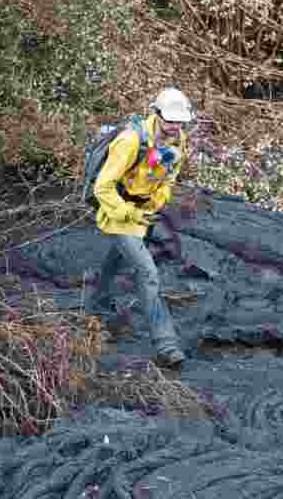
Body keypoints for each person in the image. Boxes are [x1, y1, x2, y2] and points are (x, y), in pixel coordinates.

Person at [86, 86, 194, 367]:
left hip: (144, 211)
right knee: (147, 273)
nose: (175, 127)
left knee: (120, 257)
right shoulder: (130, 141)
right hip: (118, 212)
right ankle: (167, 344)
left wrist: (158, 201)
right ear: (155, 114)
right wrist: (128, 213)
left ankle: (96, 304)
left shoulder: (178, 140)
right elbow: (103, 187)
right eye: (170, 120)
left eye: (180, 122)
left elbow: (170, 176)